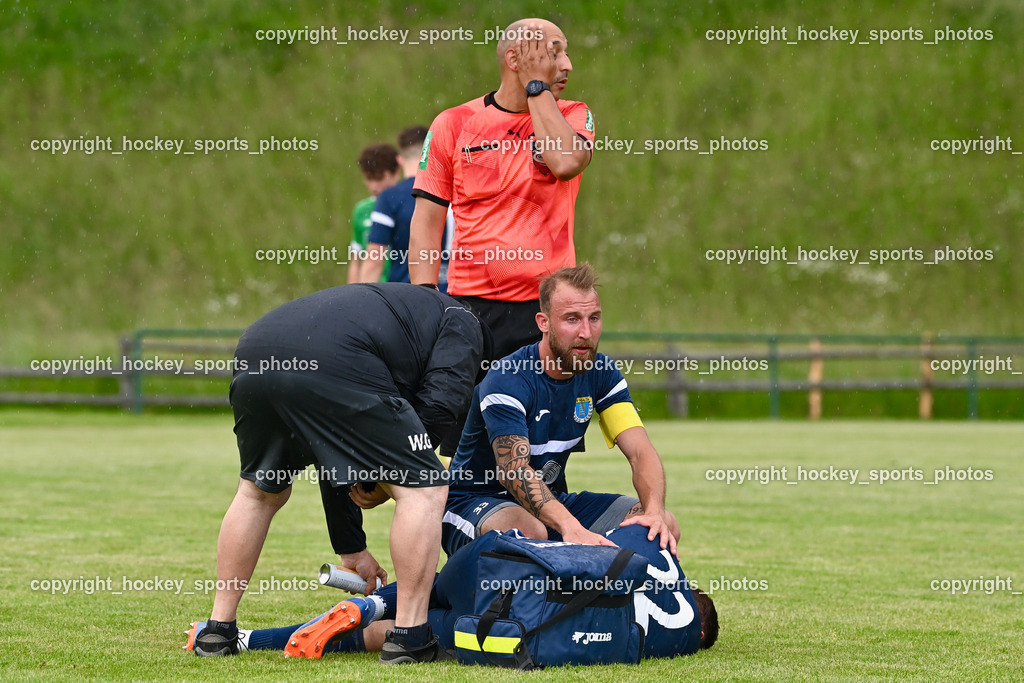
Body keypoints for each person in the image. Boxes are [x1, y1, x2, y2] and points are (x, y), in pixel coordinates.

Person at [192, 283, 485, 664]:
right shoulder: (466, 323)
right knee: (424, 487)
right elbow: (440, 406)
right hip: (333, 358)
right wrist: (385, 478)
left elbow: (333, 447)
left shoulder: (404, 315)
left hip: (256, 353)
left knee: (259, 493)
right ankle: (411, 636)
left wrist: (352, 549)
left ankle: (217, 631)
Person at [408, 18, 596, 454]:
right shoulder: (455, 123)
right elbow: (427, 221)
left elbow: (566, 162)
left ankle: (537, 523)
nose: (566, 64)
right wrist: (423, 300)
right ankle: (457, 519)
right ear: (514, 58)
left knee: (541, 448)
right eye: (553, 53)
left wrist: (538, 89)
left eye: (566, 52)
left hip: (545, 310)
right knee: (461, 445)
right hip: (468, 310)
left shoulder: (572, 114)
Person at [183, 524, 719, 660]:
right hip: (515, 632)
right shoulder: (673, 642)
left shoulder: (659, 565)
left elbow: (629, 524)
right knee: (411, 634)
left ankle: (371, 598)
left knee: (429, 590)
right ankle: (255, 641)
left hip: (493, 567)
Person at [442, 263, 680, 557]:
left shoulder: (602, 373)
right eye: (572, 319)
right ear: (543, 322)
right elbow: (513, 471)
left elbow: (640, 452)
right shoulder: (507, 378)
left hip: (550, 503)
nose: (585, 332)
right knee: (529, 531)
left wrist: (654, 512)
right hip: (472, 502)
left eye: (594, 318)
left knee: (660, 525)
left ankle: (608, 600)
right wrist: (571, 527)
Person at [360, 126, 454, 291]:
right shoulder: (457, 192)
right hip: (458, 296)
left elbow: (374, 260)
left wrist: (359, 303)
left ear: (400, 160)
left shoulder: (391, 197)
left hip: (409, 298)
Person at [347, 144, 400, 284]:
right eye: (369, 179)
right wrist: (351, 295)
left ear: (396, 172)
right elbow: (356, 260)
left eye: (379, 178)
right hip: (372, 292)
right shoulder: (361, 210)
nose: (374, 186)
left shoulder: (411, 206)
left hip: (403, 290)